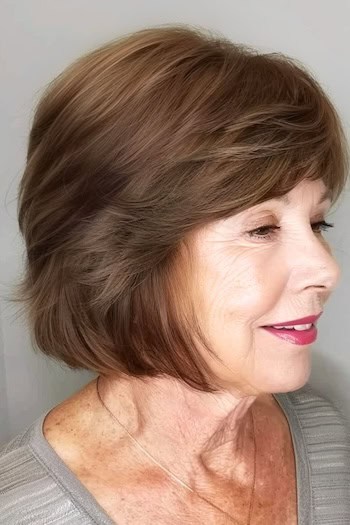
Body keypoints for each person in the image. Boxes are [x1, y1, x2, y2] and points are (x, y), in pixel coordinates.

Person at [0, 23, 349, 525]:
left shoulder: (328, 437)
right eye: (261, 228)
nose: (327, 269)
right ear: (124, 257)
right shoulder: (28, 514)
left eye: (318, 223)